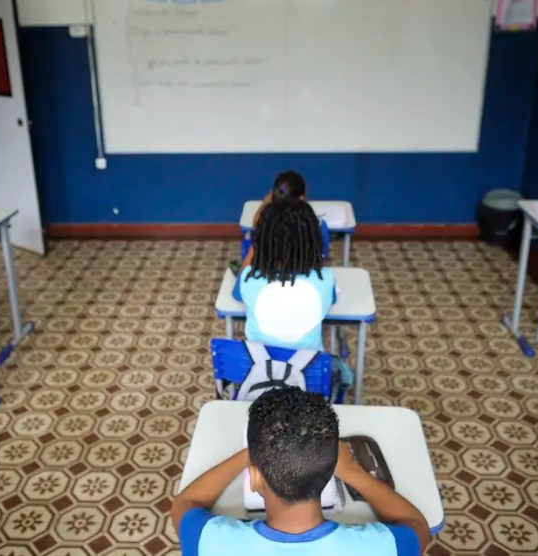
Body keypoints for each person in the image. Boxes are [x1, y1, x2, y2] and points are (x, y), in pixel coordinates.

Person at [172, 387, 429, 555]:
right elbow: (417, 525)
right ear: (330, 472)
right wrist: (351, 471)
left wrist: (254, 451)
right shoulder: (380, 549)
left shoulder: (211, 542)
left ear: (255, 477)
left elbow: (185, 503)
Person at [238, 198, 335, 351]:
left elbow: (236, 294)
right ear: (313, 240)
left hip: (257, 372)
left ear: (260, 241)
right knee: (344, 372)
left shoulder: (248, 279)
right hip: (308, 372)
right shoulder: (326, 279)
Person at [240, 171, 328, 270]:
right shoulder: (308, 230)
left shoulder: (267, 231)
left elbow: (242, 277)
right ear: (302, 198)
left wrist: (264, 203)